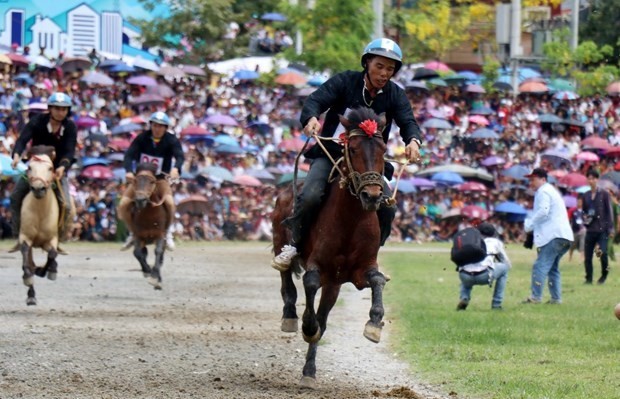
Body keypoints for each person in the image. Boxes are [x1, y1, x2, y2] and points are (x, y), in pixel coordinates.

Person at [271, 38, 423, 270]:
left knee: (388, 207)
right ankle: (294, 244)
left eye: (390, 69)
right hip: (331, 153)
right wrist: (311, 118)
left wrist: (413, 140)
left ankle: (371, 255)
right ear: (367, 63)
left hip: (369, 161)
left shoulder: (395, 95)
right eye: (379, 66)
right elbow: (315, 100)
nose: (384, 73)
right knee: (311, 194)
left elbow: (408, 121)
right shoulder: (344, 81)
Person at [10, 92, 76, 254]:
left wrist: (62, 167)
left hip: (57, 171)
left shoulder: (70, 127)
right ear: (50, 109)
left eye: (64, 109)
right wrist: (17, 155)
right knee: (15, 197)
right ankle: (19, 235)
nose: (61, 112)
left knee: (67, 205)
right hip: (35, 170)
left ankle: (58, 238)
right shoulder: (37, 121)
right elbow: (22, 140)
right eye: (57, 108)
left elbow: (69, 151)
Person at [118, 111, 184, 251]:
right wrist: (129, 171)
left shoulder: (171, 140)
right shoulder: (142, 138)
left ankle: (167, 233)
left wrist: (176, 168)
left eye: (161, 126)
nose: (157, 129)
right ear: (151, 125)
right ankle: (132, 232)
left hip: (160, 180)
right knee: (123, 204)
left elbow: (179, 156)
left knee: (170, 204)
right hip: (141, 180)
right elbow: (129, 155)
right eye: (155, 125)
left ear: (166, 128)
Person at [523, 168, 574, 304]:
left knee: (540, 266)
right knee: (552, 268)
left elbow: (543, 211)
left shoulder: (543, 191)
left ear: (543, 179)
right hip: (564, 235)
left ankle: (535, 297)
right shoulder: (550, 190)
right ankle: (556, 298)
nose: (531, 182)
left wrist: (530, 225)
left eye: (533, 179)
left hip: (554, 235)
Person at [456, 223, 511, 311]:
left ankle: (464, 298)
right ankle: (497, 304)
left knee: (466, 268)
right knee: (504, 269)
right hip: (484, 275)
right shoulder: (495, 242)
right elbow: (506, 262)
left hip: (464, 275)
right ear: (493, 233)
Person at [582, 170, 614, 285]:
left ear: (597, 179)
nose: (591, 181)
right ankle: (588, 278)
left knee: (602, 253)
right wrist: (585, 219)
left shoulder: (604, 194)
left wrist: (611, 228)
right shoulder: (585, 195)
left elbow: (609, 211)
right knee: (588, 255)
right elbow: (584, 211)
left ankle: (604, 275)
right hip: (590, 229)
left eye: (593, 178)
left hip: (602, 229)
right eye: (589, 178)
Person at [568, 195, 586, 262]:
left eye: (580, 202)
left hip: (583, 230)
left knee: (583, 243)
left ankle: (582, 258)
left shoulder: (585, 210)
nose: (579, 203)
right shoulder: (572, 210)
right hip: (574, 230)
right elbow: (568, 219)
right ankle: (570, 257)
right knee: (572, 245)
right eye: (578, 201)